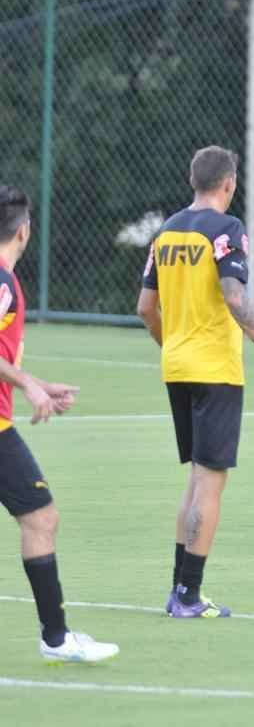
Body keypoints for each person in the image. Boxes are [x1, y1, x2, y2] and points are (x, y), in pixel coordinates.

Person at [136, 146, 254, 618]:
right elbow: (234, 297)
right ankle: (188, 595)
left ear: (191, 179)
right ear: (229, 183)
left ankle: (178, 589)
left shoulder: (166, 233)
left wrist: (174, 344)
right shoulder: (227, 229)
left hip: (177, 366)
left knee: (196, 480)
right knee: (210, 484)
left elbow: (145, 308)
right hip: (216, 370)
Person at [0, 184, 119, 662]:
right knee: (41, 517)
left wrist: (36, 384)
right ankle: (56, 639)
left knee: (39, 517)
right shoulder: (4, 283)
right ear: (25, 231)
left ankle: (57, 637)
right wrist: (28, 384)